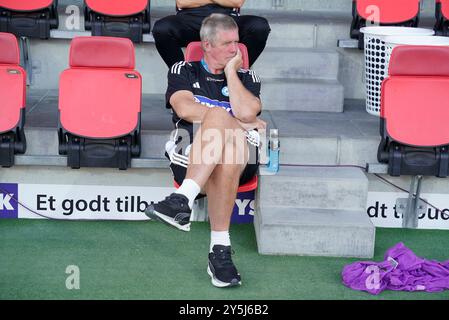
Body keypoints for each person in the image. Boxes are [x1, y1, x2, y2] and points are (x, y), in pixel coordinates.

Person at [145, 13, 266, 288]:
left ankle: (180, 200)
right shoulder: (183, 70)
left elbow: (249, 110)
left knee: (229, 143)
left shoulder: (247, 76)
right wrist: (233, 121)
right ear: (207, 45)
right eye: (227, 43)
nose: (235, 49)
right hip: (190, 154)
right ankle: (220, 252)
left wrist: (231, 73)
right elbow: (184, 108)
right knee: (224, 125)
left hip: (240, 160)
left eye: (237, 42)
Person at [152, 0, 270, 68]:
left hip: (226, 20)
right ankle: (183, 77)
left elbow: (236, 2)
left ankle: (234, 73)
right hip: (189, 20)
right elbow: (183, 2)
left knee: (259, 27)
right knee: (162, 29)